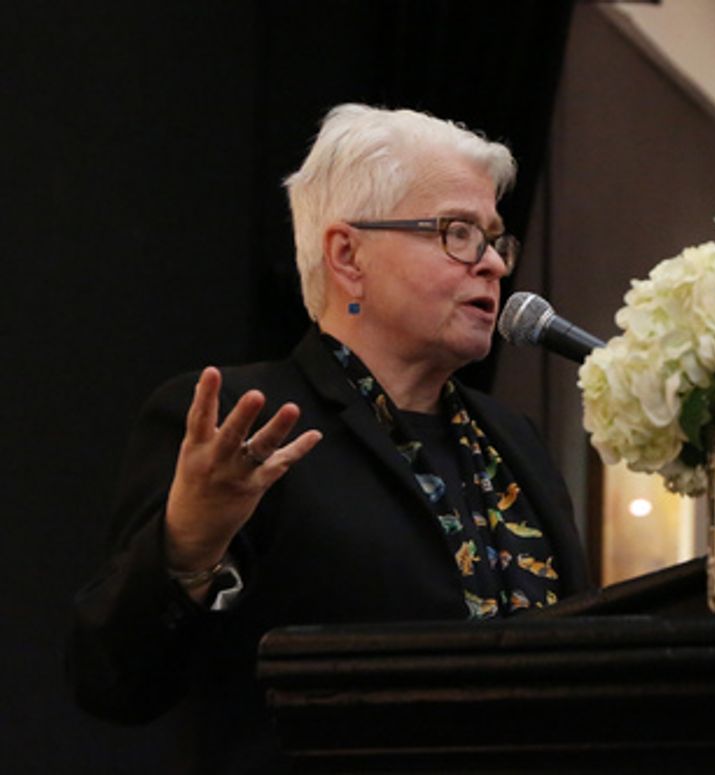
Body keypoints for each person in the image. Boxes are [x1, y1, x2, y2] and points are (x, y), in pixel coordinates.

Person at [68, 104, 590, 771]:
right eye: (458, 233)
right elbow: (111, 682)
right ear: (348, 255)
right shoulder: (241, 421)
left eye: (494, 238)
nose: (491, 264)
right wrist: (187, 549)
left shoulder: (515, 440)